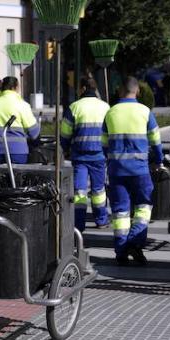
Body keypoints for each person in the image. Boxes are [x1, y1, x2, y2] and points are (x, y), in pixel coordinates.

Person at [104, 76, 163, 266]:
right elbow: (156, 141)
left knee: (120, 212)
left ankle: (121, 252)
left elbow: (103, 143)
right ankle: (135, 243)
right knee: (143, 207)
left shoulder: (111, 112)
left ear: (121, 91)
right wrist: (159, 160)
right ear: (137, 91)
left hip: (116, 170)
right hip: (140, 170)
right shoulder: (145, 112)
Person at [61, 77, 110, 232]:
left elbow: (65, 133)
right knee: (99, 190)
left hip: (80, 156)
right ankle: (101, 220)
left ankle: (78, 225)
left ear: (82, 89)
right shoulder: (105, 107)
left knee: (79, 191)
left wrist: (64, 149)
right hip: (100, 156)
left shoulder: (74, 107)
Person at [0, 76, 40, 164]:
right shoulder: (23, 105)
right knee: (16, 177)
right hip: (18, 151)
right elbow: (34, 132)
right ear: (16, 87)